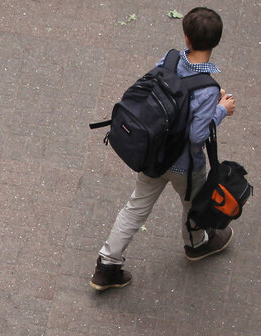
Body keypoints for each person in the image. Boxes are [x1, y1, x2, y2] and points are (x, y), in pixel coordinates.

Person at [90, 7, 237, 291]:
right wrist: (220, 110)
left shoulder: (168, 60)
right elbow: (196, 135)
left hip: (154, 154)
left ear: (186, 37)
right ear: (216, 42)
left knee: (135, 207)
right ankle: (195, 244)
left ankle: (107, 265)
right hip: (185, 166)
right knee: (193, 205)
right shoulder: (208, 88)